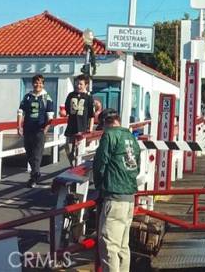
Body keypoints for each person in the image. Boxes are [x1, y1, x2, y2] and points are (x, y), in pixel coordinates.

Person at [94, 109, 140, 272]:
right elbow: (137, 166)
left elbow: (100, 163)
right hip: (129, 196)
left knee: (109, 246)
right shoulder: (130, 137)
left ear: (107, 123)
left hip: (114, 195)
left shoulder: (109, 135)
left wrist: (98, 185)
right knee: (122, 246)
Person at [17, 74, 55, 188]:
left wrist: (45, 129)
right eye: (35, 82)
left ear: (43, 84)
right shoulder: (27, 96)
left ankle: (34, 176)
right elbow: (20, 112)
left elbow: (50, 116)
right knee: (29, 153)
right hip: (28, 128)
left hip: (39, 129)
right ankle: (36, 172)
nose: (37, 85)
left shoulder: (46, 97)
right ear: (32, 83)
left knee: (37, 154)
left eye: (40, 83)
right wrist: (19, 126)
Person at [61, 75, 95, 166]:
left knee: (79, 151)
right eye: (77, 84)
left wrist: (90, 129)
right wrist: (63, 112)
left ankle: (77, 170)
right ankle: (72, 166)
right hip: (71, 126)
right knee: (68, 147)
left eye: (81, 84)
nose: (78, 86)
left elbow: (91, 115)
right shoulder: (71, 95)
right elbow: (66, 110)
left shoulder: (89, 97)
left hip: (82, 127)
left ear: (86, 85)